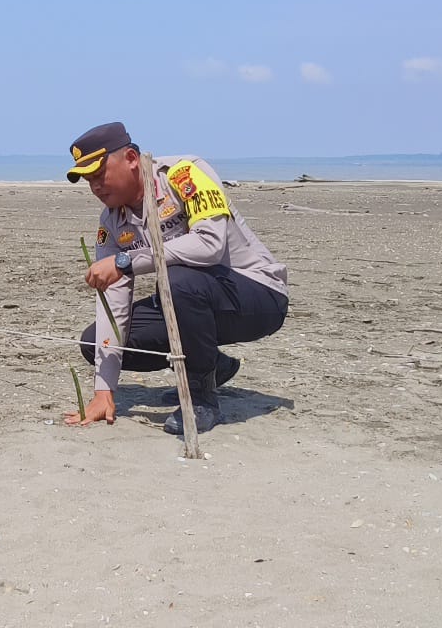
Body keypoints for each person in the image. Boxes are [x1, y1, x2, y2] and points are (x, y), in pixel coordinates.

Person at [61, 122, 289, 434]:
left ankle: (201, 399)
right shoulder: (111, 222)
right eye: (88, 180)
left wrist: (126, 262)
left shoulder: (185, 174)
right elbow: (112, 305)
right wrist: (104, 390)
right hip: (185, 303)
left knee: (180, 278)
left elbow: (209, 245)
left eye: (99, 174)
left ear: (130, 158)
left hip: (256, 294)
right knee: (93, 341)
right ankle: (212, 365)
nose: (95, 186)